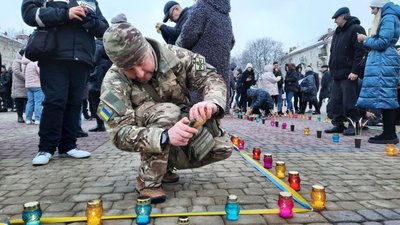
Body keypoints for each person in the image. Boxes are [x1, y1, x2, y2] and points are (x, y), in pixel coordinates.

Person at [99, 22, 233, 203]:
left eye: (140, 62)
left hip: (180, 121)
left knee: (222, 147)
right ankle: (148, 181)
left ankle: (166, 167)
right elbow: (119, 133)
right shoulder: (113, 82)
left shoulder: (177, 56)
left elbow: (211, 77)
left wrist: (211, 102)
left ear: (147, 47)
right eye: (129, 69)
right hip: (155, 125)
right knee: (168, 112)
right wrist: (165, 137)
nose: (138, 73)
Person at [22, 0, 109, 165]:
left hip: (82, 58)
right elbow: (28, 14)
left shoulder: (90, 1)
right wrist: (65, 14)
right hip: (53, 55)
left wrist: (88, 19)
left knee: (74, 102)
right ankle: (46, 148)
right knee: (55, 100)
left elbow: (104, 29)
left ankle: (68, 146)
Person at [177, 0, 235, 109]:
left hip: (200, 62)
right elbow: (231, 41)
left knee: (197, 103)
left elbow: (187, 36)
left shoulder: (202, 7)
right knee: (215, 104)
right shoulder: (226, 16)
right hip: (222, 67)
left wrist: (178, 49)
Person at [357, 0, 400, 144]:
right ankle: (388, 132)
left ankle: (389, 134)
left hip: (384, 61)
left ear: (380, 7)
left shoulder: (388, 18)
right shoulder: (390, 17)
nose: (372, 12)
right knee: (384, 97)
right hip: (384, 61)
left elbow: (382, 42)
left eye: (373, 9)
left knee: (386, 97)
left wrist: (365, 40)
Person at [324, 7, 367, 136]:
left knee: (349, 102)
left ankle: (354, 125)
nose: (335, 21)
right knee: (335, 102)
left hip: (349, 73)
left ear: (343, 16)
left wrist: (355, 71)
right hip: (336, 73)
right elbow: (333, 52)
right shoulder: (337, 32)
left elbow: (360, 52)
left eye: (336, 18)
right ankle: (338, 125)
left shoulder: (356, 29)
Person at [21, 56, 43, 125]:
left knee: (30, 102)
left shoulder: (25, 64)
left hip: (28, 85)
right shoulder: (35, 62)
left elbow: (23, 74)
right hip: (37, 85)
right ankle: (37, 119)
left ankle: (28, 119)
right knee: (38, 102)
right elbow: (40, 73)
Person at [11, 49, 28, 123]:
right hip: (18, 85)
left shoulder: (26, 61)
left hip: (26, 85)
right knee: (19, 102)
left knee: (27, 102)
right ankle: (20, 117)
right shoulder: (16, 61)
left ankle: (28, 117)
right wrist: (26, 78)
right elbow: (16, 71)